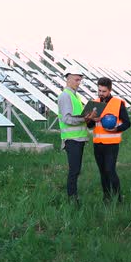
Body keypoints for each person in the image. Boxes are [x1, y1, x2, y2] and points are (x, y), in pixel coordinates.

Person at [87, 77, 131, 203]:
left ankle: (118, 198)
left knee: (110, 170)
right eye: (99, 90)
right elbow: (89, 126)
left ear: (110, 90)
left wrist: (116, 129)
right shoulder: (94, 103)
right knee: (102, 172)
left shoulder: (118, 103)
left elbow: (127, 123)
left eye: (104, 91)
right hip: (97, 144)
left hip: (112, 144)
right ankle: (106, 197)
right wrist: (91, 120)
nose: (101, 94)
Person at [57, 66, 96, 206]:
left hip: (79, 138)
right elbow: (67, 119)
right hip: (72, 139)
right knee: (74, 170)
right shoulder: (66, 96)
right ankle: (72, 199)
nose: (79, 82)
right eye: (76, 79)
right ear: (68, 79)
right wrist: (85, 119)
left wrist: (89, 117)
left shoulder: (75, 96)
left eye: (80, 80)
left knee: (76, 169)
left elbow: (77, 116)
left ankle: (73, 197)